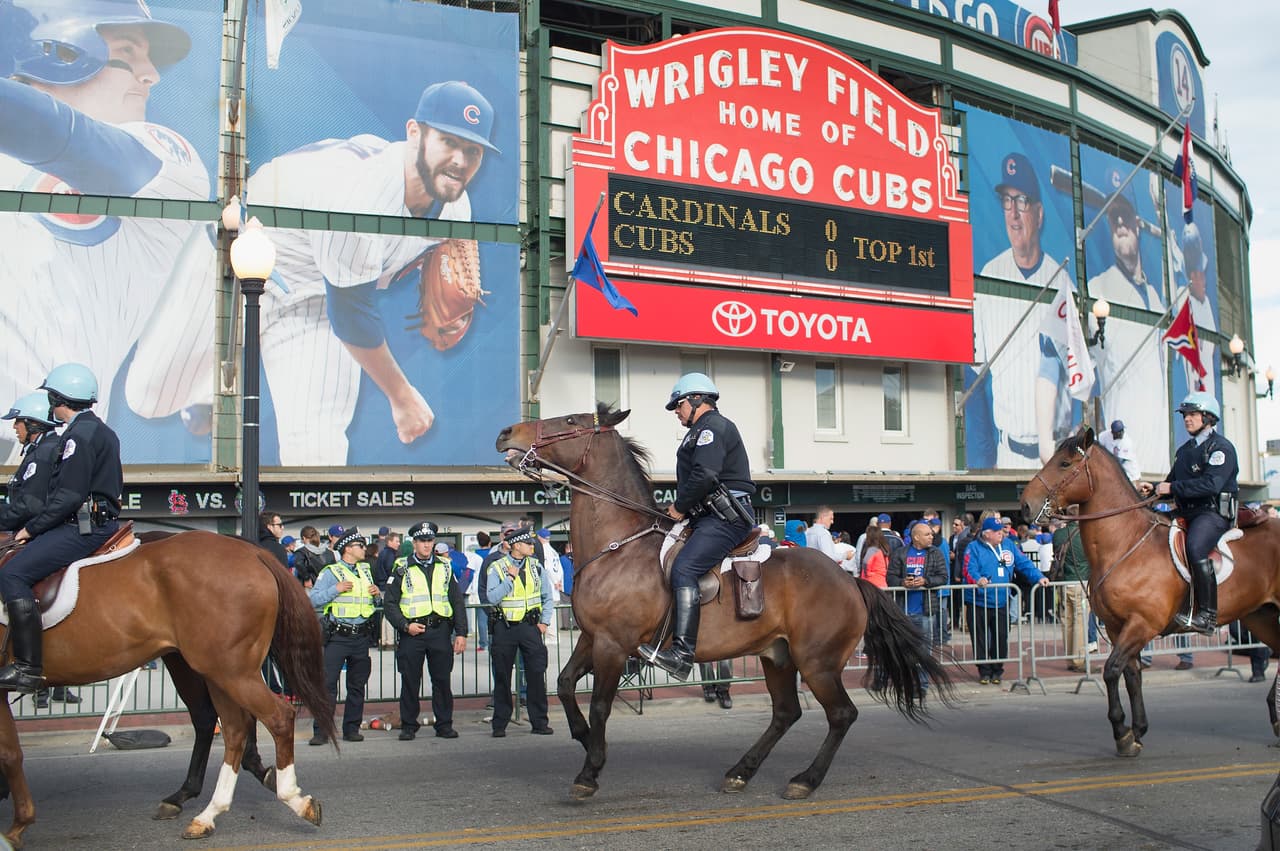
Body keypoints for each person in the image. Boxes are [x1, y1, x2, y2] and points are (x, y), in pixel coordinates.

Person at [125, 80, 502, 465]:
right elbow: (353, 316)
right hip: (235, 267)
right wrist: (402, 397)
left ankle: (306, 525)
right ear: (414, 133)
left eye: (473, 150)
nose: (460, 159)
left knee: (318, 453)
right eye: (449, 142)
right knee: (149, 400)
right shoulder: (361, 194)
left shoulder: (456, 206)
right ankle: (216, 372)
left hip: (315, 297)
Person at [0, 4, 211, 464]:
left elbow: (59, 133)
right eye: (128, 54)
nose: (150, 75)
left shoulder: (169, 158)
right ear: (58, 51)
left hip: (40, 452)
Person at [0, 364, 122, 693]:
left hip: (83, 526)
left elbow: (68, 496)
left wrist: (31, 530)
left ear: (58, 398)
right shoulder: (97, 431)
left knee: (13, 574)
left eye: (51, 398)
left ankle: (27, 667)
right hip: (93, 520)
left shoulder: (78, 436)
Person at [638, 373, 756, 680]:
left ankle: (681, 654)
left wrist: (678, 507)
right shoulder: (699, 431)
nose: (676, 412)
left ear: (696, 400)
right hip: (706, 516)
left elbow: (704, 475)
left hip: (725, 518)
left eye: (678, 405)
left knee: (685, 569)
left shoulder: (713, 427)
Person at [971, 151, 1075, 468]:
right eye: (1007, 202)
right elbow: (973, 375)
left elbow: (1078, 374)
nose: (1014, 214)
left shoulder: (1062, 280)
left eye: (1022, 202)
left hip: (1055, 451)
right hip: (1008, 451)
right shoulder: (988, 275)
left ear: (1039, 214)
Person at [0, 392, 80, 707]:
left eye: (17, 422)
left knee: (12, 575)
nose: (15, 429)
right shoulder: (37, 450)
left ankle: (27, 666)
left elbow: (29, 504)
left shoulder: (43, 453)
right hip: (34, 527)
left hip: (40, 530)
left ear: (32, 423)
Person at [1138, 392, 1238, 634]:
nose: (1187, 419)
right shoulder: (1184, 451)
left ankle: (1207, 616)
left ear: (1208, 417)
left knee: (1195, 548)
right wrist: (1154, 489)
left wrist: (1171, 487)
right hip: (1185, 512)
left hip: (1212, 514)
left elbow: (1210, 485)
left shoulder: (1221, 448)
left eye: (1192, 414)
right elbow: (1172, 482)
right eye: (1185, 415)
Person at [1087, 172, 1167, 473]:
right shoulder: (1098, 287)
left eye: (1124, 215)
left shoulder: (1156, 297)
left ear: (1137, 223)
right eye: (1113, 218)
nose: (1119, 224)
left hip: (1157, 448)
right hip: (1124, 438)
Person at [383, 522, 466, 741]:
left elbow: (456, 601)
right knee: (410, 680)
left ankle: (444, 724)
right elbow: (389, 603)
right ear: (414, 543)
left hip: (439, 630)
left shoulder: (445, 566)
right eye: (422, 541)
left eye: (430, 541)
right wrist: (404, 625)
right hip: (413, 633)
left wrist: (461, 633)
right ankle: (409, 725)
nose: (427, 545)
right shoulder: (401, 567)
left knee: (442, 681)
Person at [307, 528, 381, 745]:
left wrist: (376, 596)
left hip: (360, 637)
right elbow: (313, 600)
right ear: (348, 549)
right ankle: (322, 731)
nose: (364, 549)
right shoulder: (332, 572)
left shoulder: (366, 570)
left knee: (357, 685)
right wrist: (336, 589)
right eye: (360, 546)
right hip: (338, 636)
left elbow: (370, 602)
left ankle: (352, 728)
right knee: (328, 685)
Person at [962, 516, 1050, 686]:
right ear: (986, 534)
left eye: (1002, 531)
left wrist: (1038, 577)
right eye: (996, 532)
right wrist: (978, 580)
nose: (1001, 534)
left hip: (1002, 599)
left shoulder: (1009, 545)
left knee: (1001, 637)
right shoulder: (973, 547)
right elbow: (968, 569)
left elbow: (1023, 563)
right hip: (978, 601)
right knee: (981, 639)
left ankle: (997, 670)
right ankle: (984, 671)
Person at [485, 527, 554, 737]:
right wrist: (510, 580)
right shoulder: (497, 567)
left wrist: (544, 622)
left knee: (536, 674)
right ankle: (500, 724)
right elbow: (492, 597)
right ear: (516, 546)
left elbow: (547, 596)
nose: (532, 546)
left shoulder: (536, 566)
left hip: (530, 627)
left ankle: (539, 722)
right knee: (503, 677)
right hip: (504, 628)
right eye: (529, 544)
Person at [886, 521, 948, 686]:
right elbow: (890, 577)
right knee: (904, 649)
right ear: (916, 537)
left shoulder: (936, 553)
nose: (931, 537)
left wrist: (926, 580)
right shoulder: (900, 553)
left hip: (926, 611)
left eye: (931, 534)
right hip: (903, 609)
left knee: (924, 651)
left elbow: (943, 576)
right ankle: (907, 682)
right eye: (927, 534)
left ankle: (922, 684)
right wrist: (902, 583)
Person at [1053, 519, 1090, 671]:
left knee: (1066, 620)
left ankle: (1070, 659)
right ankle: (1078, 660)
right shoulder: (1085, 534)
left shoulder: (1058, 534)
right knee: (1080, 621)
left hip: (1063, 582)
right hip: (1081, 581)